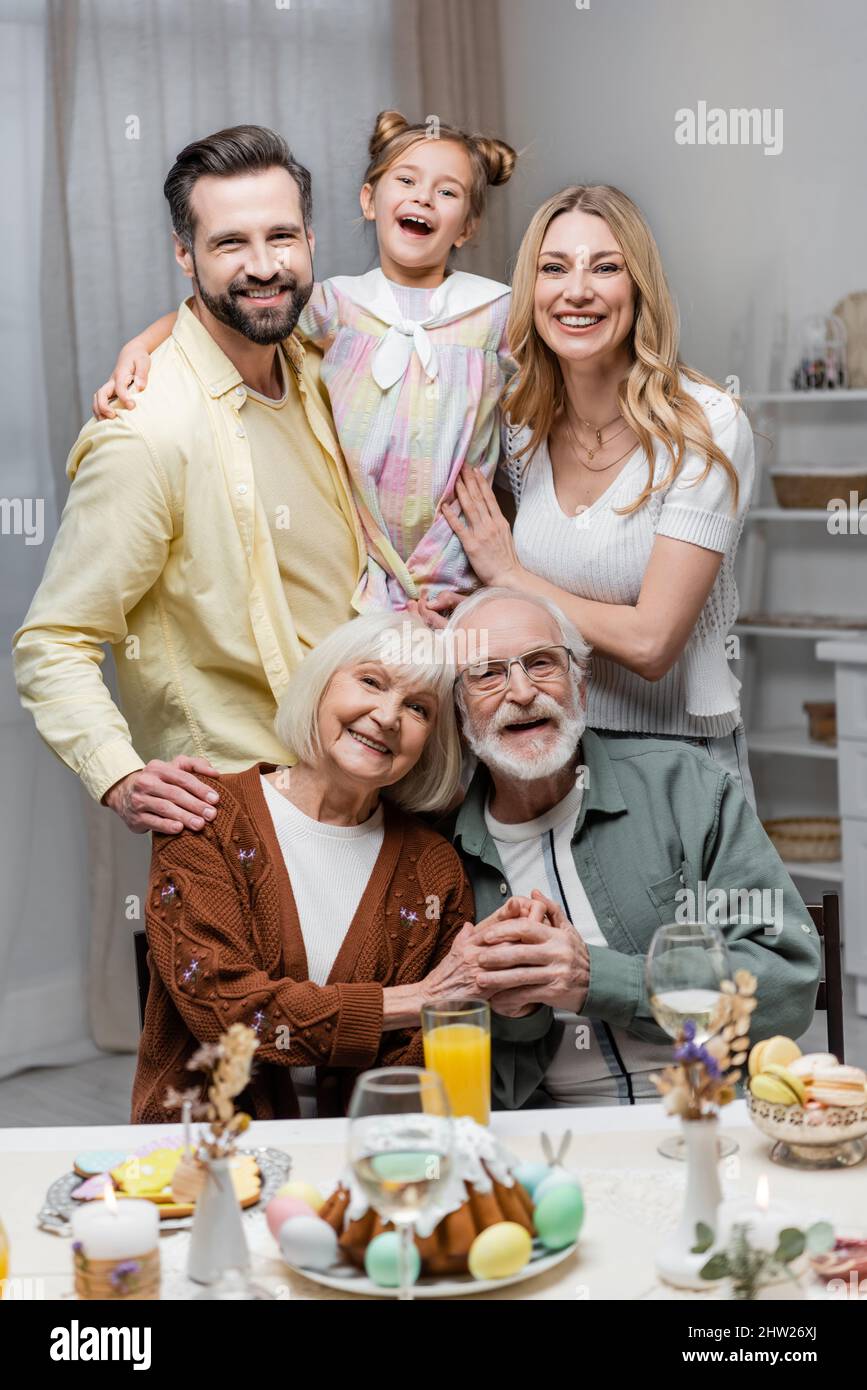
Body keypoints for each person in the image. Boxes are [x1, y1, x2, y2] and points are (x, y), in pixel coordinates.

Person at [13, 125, 368, 837]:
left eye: (282, 236)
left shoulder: (329, 363)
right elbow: (54, 642)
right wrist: (117, 773)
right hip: (241, 818)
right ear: (184, 254)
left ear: (311, 241)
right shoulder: (145, 432)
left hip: (373, 798)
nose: (264, 265)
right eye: (230, 243)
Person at [94, 109, 517, 615]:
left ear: (467, 227)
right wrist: (139, 346)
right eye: (406, 180)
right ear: (369, 200)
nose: (424, 197)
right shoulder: (338, 306)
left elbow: (549, 389)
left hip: (464, 562)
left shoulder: (495, 310)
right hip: (374, 571)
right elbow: (223, 310)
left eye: (448, 192)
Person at [132, 611, 546, 1121]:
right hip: (211, 1156)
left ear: (430, 745)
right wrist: (421, 997)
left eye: (418, 708)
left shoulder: (432, 867)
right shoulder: (204, 814)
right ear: (320, 687)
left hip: (371, 1155)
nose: (388, 716)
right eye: (371, 681)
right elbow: (229, 1014)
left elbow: (419, 1060)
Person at [442, 587, 821, 1109]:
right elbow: (465, 1075)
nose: (523, 691)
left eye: (542, 663)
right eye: (487, 673)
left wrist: (596, 979)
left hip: (713, 1116)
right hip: (550, 1142)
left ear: (581, 683)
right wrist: (517, 1011)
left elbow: (787, 982)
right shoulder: (443, 856)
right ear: (459, 711)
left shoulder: (683, 787)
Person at [441, 185, 758, 806]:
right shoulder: (522, 423)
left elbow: (651, 645)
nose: (576, 290)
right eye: (553, 268)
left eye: (606, 267)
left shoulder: (706, 426)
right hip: (547, 754)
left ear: (639, 289)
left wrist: (509, 575)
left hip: (679, 765)